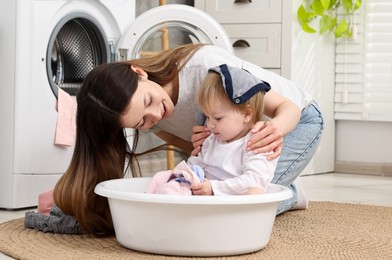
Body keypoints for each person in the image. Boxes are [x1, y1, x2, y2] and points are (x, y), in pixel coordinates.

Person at [54, 44, 324, 235]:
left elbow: (288, 108)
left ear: (139, 72)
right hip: (237, 143)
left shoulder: (206, 68)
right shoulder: (148, 122)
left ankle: (289, 192)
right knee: (205, 197)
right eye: (141, 122)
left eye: (148, 101)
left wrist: (274, 128)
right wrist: (202, 144)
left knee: (239, 210)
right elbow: (202, 157)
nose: (154, 115)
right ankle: (277, 182)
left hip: (297, 121)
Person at [147, 64, 276, 196]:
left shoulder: (257, 143)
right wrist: (183, 178)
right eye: (207, 117)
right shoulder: (212, 139)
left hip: (235, 200)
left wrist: (214, 188)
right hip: (212, 199)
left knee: (255, 193)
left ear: (247, 114)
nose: (210, 125)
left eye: (218, 118)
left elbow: (254, 180)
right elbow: (194, 166)